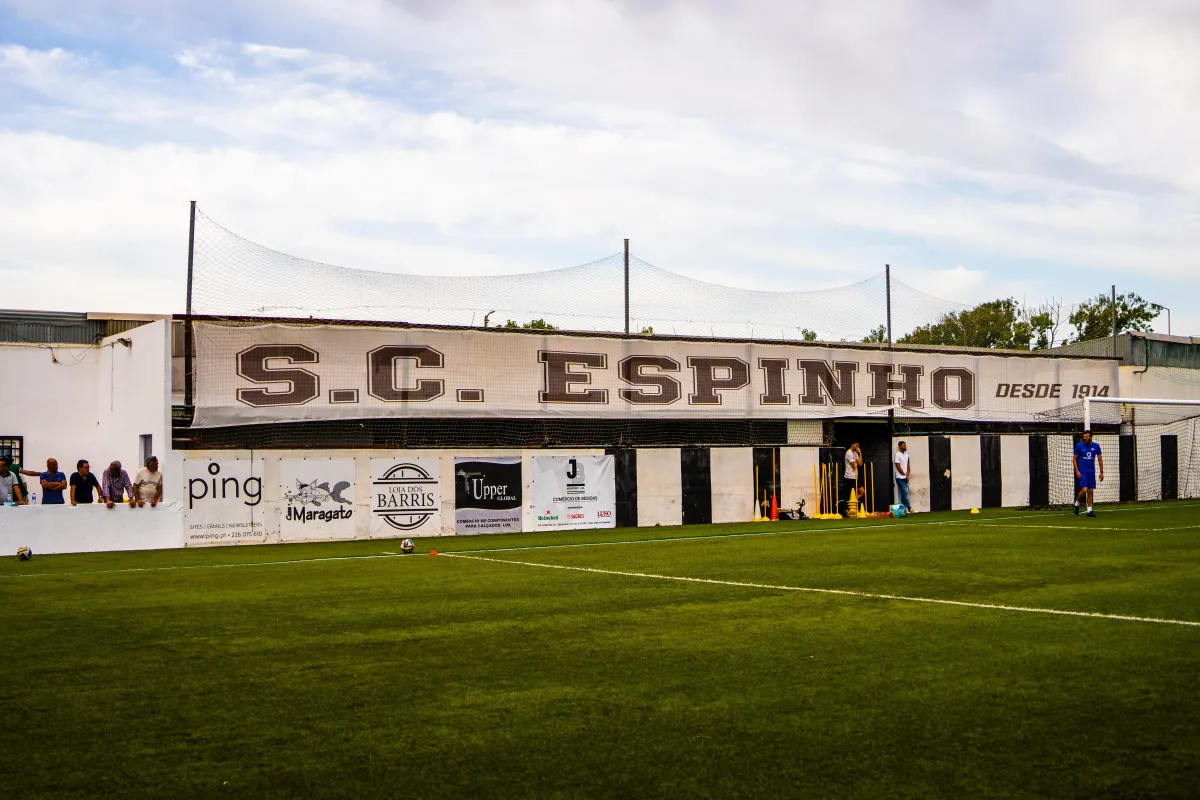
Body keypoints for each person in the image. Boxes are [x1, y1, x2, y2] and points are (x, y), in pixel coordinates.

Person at [1073, 430, 1104, 517]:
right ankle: (1077, 503)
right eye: (1084, 437)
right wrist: (1077, 470)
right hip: (1083, 470)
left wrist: (1101, 472)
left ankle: (1089, 511)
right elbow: (1074, 458)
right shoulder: (1079, 446)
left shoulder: (1096, 446)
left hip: (1091, 471)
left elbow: (1100, 459)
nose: (1085, 438)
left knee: (1090, 491)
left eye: (1086, 437)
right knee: (1085, 489)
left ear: (1091, 437)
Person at [842, 442, 866, 512]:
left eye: (858, 445)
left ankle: (852, 502)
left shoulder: (855, 453)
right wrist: (856, 462)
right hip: (849, 477)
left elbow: (860, 464)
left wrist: (860, 453)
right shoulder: (849, 453)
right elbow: (854, 466)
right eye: (856, 445)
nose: (858, 447)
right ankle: (846, 508)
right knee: (847, 494)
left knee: (862, 492)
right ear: (852, 445)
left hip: (855, 476)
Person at [894, 441, 913, 513]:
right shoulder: (897, 455)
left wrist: (907, 474)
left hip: (905, 477)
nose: (905, 447)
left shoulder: (907, 455)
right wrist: (904, 475)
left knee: (904, 493)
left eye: (905, 446)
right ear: (899, 447)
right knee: (905, 491)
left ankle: (901, 510)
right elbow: (898, 466)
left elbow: (908, 465)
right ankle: (909, 508)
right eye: (903, 446)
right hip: (899, 477)